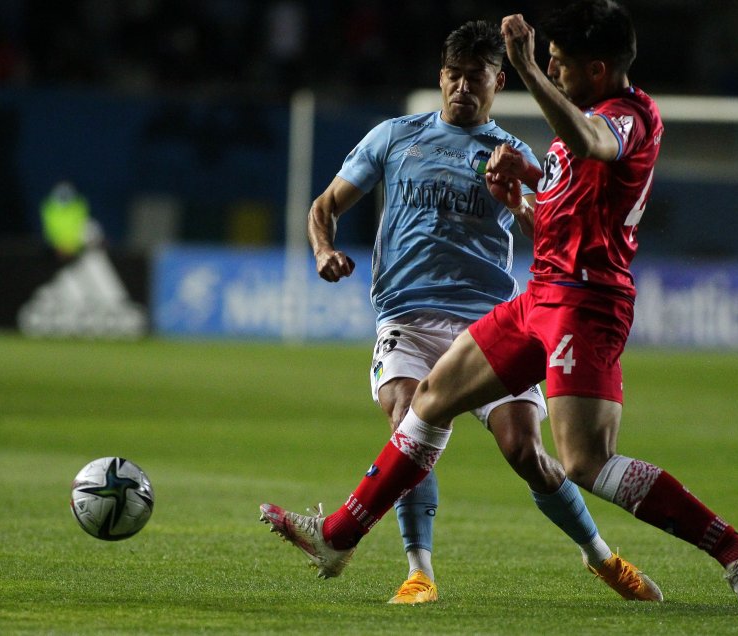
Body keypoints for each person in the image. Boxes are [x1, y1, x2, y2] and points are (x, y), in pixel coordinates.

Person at [268, 19, 661, 605]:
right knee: (409, 415)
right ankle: (418, 571)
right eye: (453, 76)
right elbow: (325, 205)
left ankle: (602, 557)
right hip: (407, 318)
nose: (461, 89)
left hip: (489, 321)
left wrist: (518, 199)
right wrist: (324, 249)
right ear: (441, 77)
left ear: (497, 83)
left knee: (524, 448)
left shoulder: (514, 154)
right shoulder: (395, 137)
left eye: (475, 78)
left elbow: (546, 234)